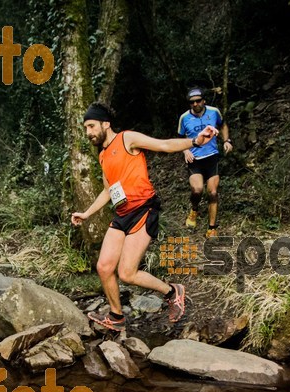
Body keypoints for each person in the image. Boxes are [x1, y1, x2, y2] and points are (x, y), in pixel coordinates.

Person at [72, 102, 218, 331]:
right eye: (85, 128)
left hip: (143, 209)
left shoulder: (127, 139)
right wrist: (87, 213)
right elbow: (108, 190)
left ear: (105, 124)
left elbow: (164, 145)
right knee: (103, 266)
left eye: (91, 126)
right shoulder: (102, 156)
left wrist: (195, 142)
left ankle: (173, 291)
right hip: (121, 214)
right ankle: (116, 317)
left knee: (127, 273)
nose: (88, 132)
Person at [177, 87, 232, 238]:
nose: (195, 104)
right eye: (192, 102)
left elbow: (223, 125)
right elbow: (180, 137)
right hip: (194, 159)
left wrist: (226, 140)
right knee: (197, 190)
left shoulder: (214, 112)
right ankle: (194, 210)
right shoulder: (184, 118)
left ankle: (212, 228)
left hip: (212, 156)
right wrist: (185, 150)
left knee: (213, 192)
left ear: (203, 101)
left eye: (198, 101)